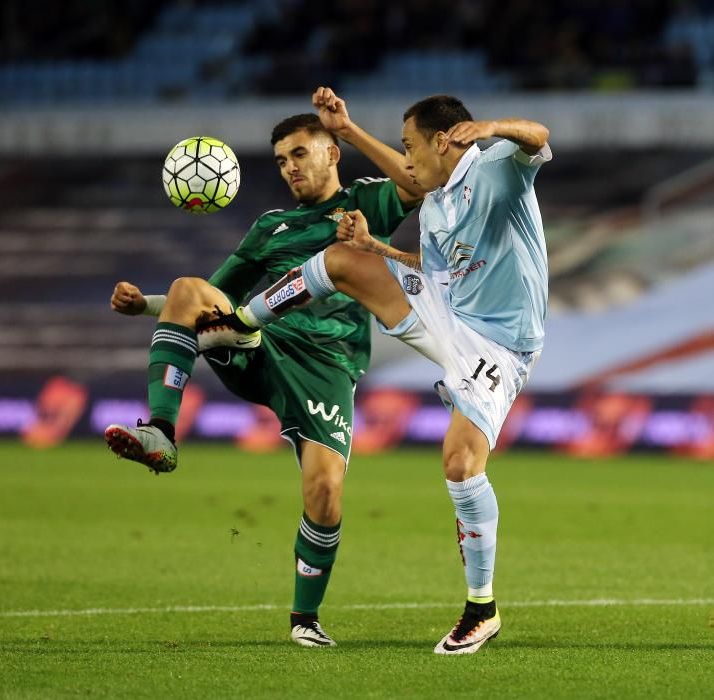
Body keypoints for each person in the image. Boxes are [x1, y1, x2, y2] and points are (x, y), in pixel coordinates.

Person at [215, 87, 551, 655]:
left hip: (499, 344)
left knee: (461, 463)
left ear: (444, 140)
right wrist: (380, 248)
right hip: (448, 314)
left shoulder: (497, 168)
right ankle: (242, 321)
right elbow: (438, 271)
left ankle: (481, 607)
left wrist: (492, 124)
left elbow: (539, 136)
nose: (406, 158)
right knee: (345, 260)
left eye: (410, 145)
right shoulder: (438, 202)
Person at [104, 102, 422, 648]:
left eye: (298, 154)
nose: (289, 168)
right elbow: (210, 297)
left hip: (328, 368)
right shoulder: (270, 227)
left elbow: (415, 186)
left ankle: (305, 619)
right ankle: (161, 430)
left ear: (330, 151)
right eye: (279, 161)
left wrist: (350, 127)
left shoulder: (364, 200)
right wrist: (147, 305)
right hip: (261, 345)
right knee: (186, 287)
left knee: (324, 494)